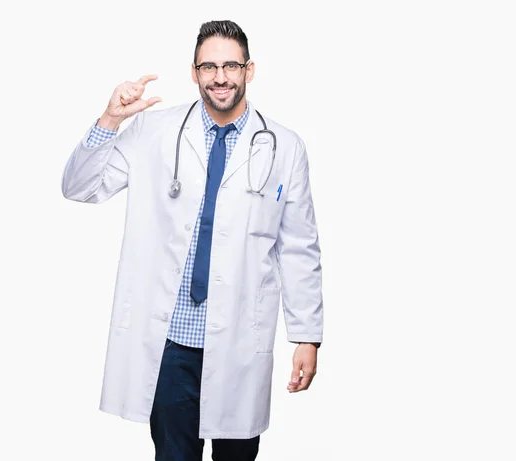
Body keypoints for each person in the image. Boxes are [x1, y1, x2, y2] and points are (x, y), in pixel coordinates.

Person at [61, 19, 323, 461]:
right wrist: (110, 119)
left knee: (237, 455)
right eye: (209, 67)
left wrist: (307, 336)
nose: (220, 77)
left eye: (231, 66)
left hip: (241, 337)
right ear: (194, 72)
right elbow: (80, 187)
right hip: (171, 343)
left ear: (249, 70)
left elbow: (298, 246)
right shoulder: (152, 132)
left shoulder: (285, 146)